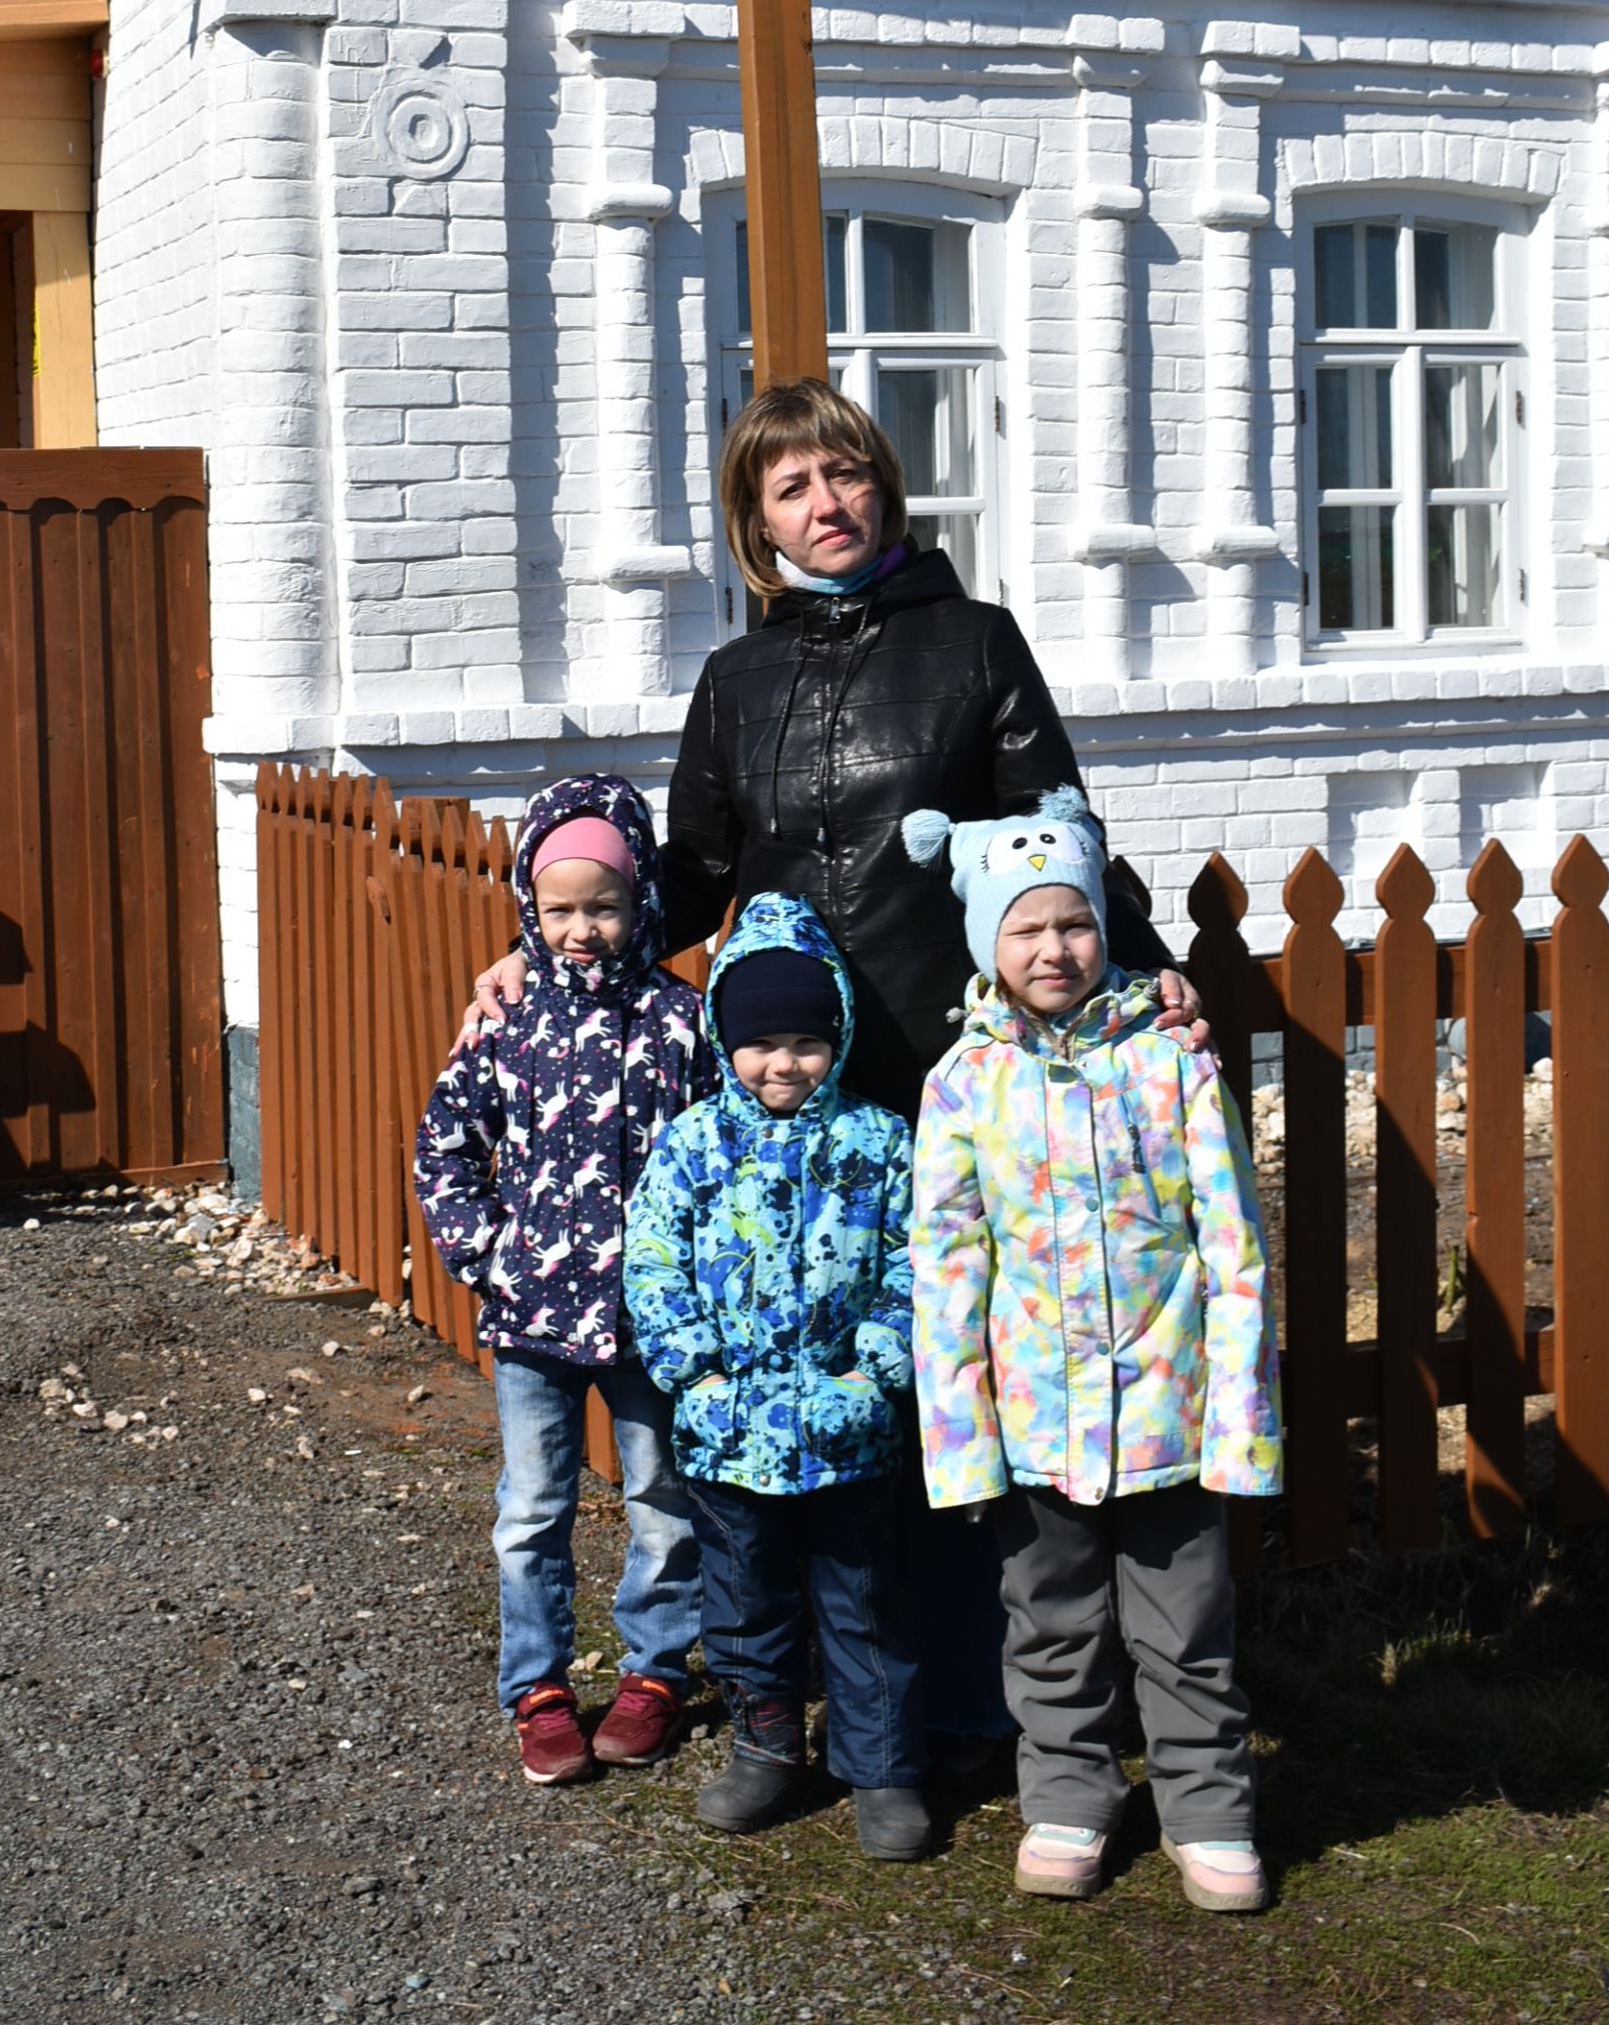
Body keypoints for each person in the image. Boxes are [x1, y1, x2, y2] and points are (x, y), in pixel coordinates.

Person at [467, 378, 1208, 1748]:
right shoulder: (738, 679)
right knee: (804, 1354)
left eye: (846, 474)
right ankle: (789, 1671)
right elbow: (684, 876)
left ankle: (967, 1684)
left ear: (885, 486)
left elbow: (1058, 822)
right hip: (790, 1081)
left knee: (944, 1353)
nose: (828, 503)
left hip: (942, 1060)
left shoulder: (975, 644)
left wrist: (1149, 960)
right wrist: (543, 950)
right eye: (792, 488)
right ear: (759, 526)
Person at [906, 787, 1282, 1912]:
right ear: (988, 941)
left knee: (1185, 1626)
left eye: (1072, 923)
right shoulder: (963, 1084)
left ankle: (1208, 1807)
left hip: (1168, 1407)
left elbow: (1234, 1244)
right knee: (1052, 1621)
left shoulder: (1171, 1062)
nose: (1054, 947)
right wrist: (961, 1443)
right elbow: (947, 1269)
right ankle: (1068, 1795)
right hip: (1034, 1419)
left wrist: (1239, 1417)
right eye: (1026, 928)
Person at [414, 773, 713, 1787]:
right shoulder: (505, 1023)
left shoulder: (684, 1025)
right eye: (562, 908)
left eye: (605, 905)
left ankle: (655, 1671)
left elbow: (724, 1156)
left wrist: (700, 1273)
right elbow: (445, 1145)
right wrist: (486, 1252)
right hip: (532, 1312)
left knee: (663, 1497)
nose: (583, 928)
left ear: (643, 904)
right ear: (529, 910)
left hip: (652, 1317)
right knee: (532, 1506)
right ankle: (537, 1686)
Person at [622, 891, 931, 1863]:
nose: (782, 1062)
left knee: (864, 1598)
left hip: (850, 1426)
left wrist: (878, 1370)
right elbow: (653, 1261)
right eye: (761, 1043)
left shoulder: (879, 1143)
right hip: (727, 1427)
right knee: (746, 1593)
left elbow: (919, 1260)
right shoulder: (693, 1145)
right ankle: (766, 1744)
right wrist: (692, 1371)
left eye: (804, 1040)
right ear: (726, 1039)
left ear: (834, 1037)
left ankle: (880, 1766)